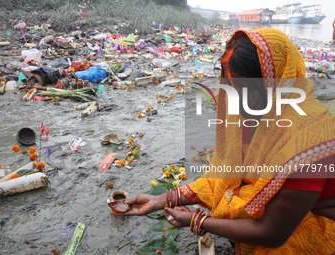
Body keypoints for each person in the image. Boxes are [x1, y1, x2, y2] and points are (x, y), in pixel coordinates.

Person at [116, 28, 335, 254]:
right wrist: (162, 199)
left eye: (246, 90)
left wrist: (197, 221)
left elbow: (272, 233)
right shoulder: (253, 116)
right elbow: (224, 175)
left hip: (308, 225)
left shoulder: (310, 144)